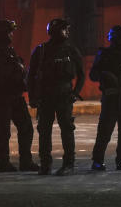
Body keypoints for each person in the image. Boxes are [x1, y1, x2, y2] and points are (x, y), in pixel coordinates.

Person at [27, 18, 84, 176]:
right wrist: (32, 97)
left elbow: (81, 74)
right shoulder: (41, 50)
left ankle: (69, 164)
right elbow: (30, 76)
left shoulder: (71, 50)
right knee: (44, 131)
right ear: (55, 31)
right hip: (45, 97)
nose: (67, 32)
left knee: (67, 129)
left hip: (64, 96)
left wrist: (75, 93)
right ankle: (45, 164)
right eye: (64, 29)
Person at [0, 19, 39, 172]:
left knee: (26, 128)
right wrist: (17, 71)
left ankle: (26, 161)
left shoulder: (9, 51)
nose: (11, 35)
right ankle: (3, 162)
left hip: (15, 95)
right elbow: (3, 75)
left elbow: (20, 70)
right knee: (3, 130)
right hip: (2, 96)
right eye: (9, 32)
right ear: (2, 34)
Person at [90, 25, 121, 172]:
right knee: (105, 132)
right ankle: (98, 160)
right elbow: (93, 74)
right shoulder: (104, 54)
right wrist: (106, 76)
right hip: (111, 98)